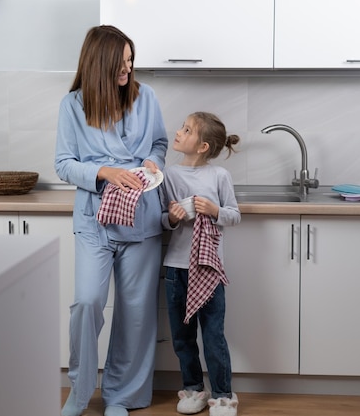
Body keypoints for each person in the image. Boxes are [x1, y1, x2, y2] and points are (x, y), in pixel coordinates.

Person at [55, 25, 168, 416]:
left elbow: (159, 142)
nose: (128, 68)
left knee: (135, 312)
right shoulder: (73, 105)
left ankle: (121, 397)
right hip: (94, 219)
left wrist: (154, 161)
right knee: (87, 302)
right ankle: (80, 390)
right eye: (121, 62)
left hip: (141, 217)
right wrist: (104, 171)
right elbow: (63, 164)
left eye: (130, 60)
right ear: (99, 63)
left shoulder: (146, 97)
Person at [159, 112, 241, 416]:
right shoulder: (169, 175)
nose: (178, 133)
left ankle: (223, 395)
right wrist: (172, 217)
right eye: (182, 127)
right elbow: (162, 221)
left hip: (209, 270)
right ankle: (193, 389)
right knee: (182, 337)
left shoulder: (219, 176)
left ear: (203, 146)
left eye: (187, 130)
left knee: (213, 335)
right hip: (176, 269)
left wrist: (214, 210)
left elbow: (235, 215)